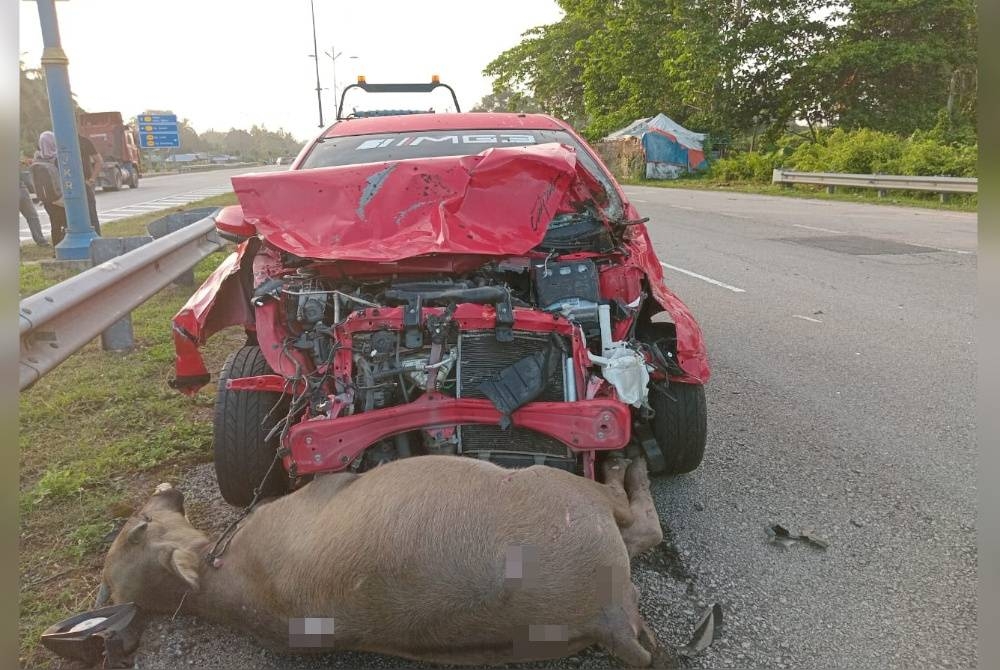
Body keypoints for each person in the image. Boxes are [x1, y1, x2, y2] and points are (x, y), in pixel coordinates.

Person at [31, 131, 67, 247]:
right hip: (60, 197)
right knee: (67, 223)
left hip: (47, 199)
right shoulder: (58, 158)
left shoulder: (37, 158)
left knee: (55, 224)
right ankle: (65, 246)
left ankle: (57, 248)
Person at [18, 164, 49, 246]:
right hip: (21, 190)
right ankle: (41, 240)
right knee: (32, 217)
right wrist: (33, 191)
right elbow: (27, 179)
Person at [78, 132, 102, 235]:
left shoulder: (84, 141)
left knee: (91, 213)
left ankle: (96, 237)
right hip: (68, 184)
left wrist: (91, 180)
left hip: (85, 182)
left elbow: (99, 161)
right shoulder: (60, 141)